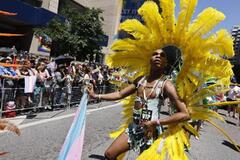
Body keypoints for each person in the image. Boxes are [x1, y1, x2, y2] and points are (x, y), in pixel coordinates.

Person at [87, 46, 190, 159]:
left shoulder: (166, 85)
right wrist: (95, 95)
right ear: (150, 59)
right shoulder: (140, 80)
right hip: (134, 128)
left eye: (162, 55)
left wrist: (156, 123)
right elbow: (120, 94)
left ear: (166, 63)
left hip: (151, 131)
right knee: (109, 154)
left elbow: (185, 114)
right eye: (155, 54)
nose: (158, 56)